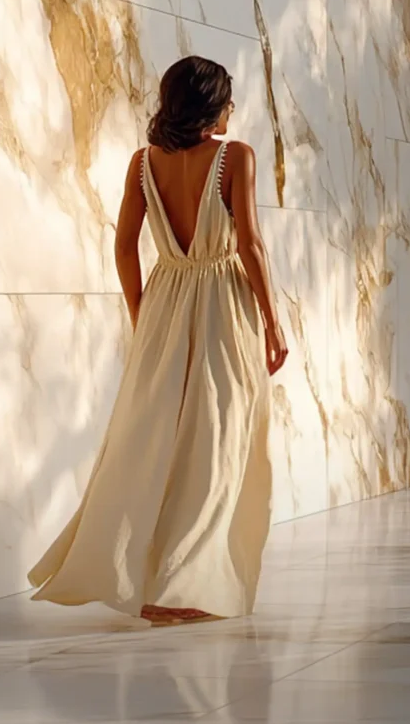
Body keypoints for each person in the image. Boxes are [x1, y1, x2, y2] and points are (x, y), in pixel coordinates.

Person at [28, 56, 289, 625]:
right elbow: (250, 245)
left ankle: (153, 582)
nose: (232, 108)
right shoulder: (236, 157)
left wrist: (141, 314)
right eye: (227, 98)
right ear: (211, 105)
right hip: (223, 305)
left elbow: (124, 247)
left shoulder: (143, 163)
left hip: (165, 303)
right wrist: (273, 321)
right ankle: (183, 587)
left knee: (156, 444)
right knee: (218, 442)